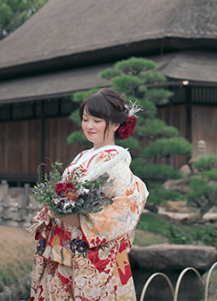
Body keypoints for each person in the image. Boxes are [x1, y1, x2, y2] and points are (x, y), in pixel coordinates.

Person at [29, 88, 148, 301]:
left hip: (85, 254)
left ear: (114, 124)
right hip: (63, 248)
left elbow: (126, 207)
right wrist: (51, 209)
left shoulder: (116, 165)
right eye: (85, 119)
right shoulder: (83, 156)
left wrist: (78, 220)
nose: (89, 126)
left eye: (97, 121)